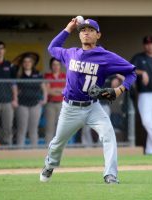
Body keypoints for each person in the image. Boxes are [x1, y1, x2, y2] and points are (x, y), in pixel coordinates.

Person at [40, 18, 136, 184]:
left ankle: (110, 175)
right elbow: (52, 48)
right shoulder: (71, 53)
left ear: (98, 35)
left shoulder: (106, 57)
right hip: (70, 108)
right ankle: (49, 165)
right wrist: (68, 28)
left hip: (93, 107)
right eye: (83, 29)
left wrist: (120, 89)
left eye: (91, 30)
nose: (86, 32)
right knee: (58, 143)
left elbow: (132, 73)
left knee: (109, 135)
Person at [16, 55, 47, 147]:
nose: (27, 64)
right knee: (22, 128)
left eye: (29, 62)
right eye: (25, 62)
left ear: (32, 63)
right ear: (22, 64)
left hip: (35, 104)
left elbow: (44, 88)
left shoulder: (37, 74)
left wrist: (44, 99)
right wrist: (16, 99)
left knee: (33, 128)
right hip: (22, 104)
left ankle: (34, 150)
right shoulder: (19, 75)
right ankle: (19, 150)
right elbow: (15, 89)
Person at [44, 57, 66, 144]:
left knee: (61, 128)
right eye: (54, 65)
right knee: (50, 127)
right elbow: (47, 91)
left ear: (60, 66)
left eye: (57, 65)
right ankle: (48, 148)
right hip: (50, 104)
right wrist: (60, 90)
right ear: (51, 66)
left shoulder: (64, 76)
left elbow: (66, 90)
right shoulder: (47, 76)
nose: (56, 66)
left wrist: (54, 90)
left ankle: (60, 147)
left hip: (62, 104)